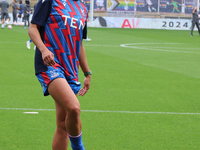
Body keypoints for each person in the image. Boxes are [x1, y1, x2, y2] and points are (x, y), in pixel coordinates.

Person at [28, 0, 91, 149]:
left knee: (63, 123)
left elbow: (79, 44)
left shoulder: (82, 8)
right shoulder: (50, 1)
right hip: (50, 64)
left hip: (71, 68)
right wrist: (43, 50)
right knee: (74, 108)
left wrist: (87, 73)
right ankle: (78, 147)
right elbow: (32, 29)